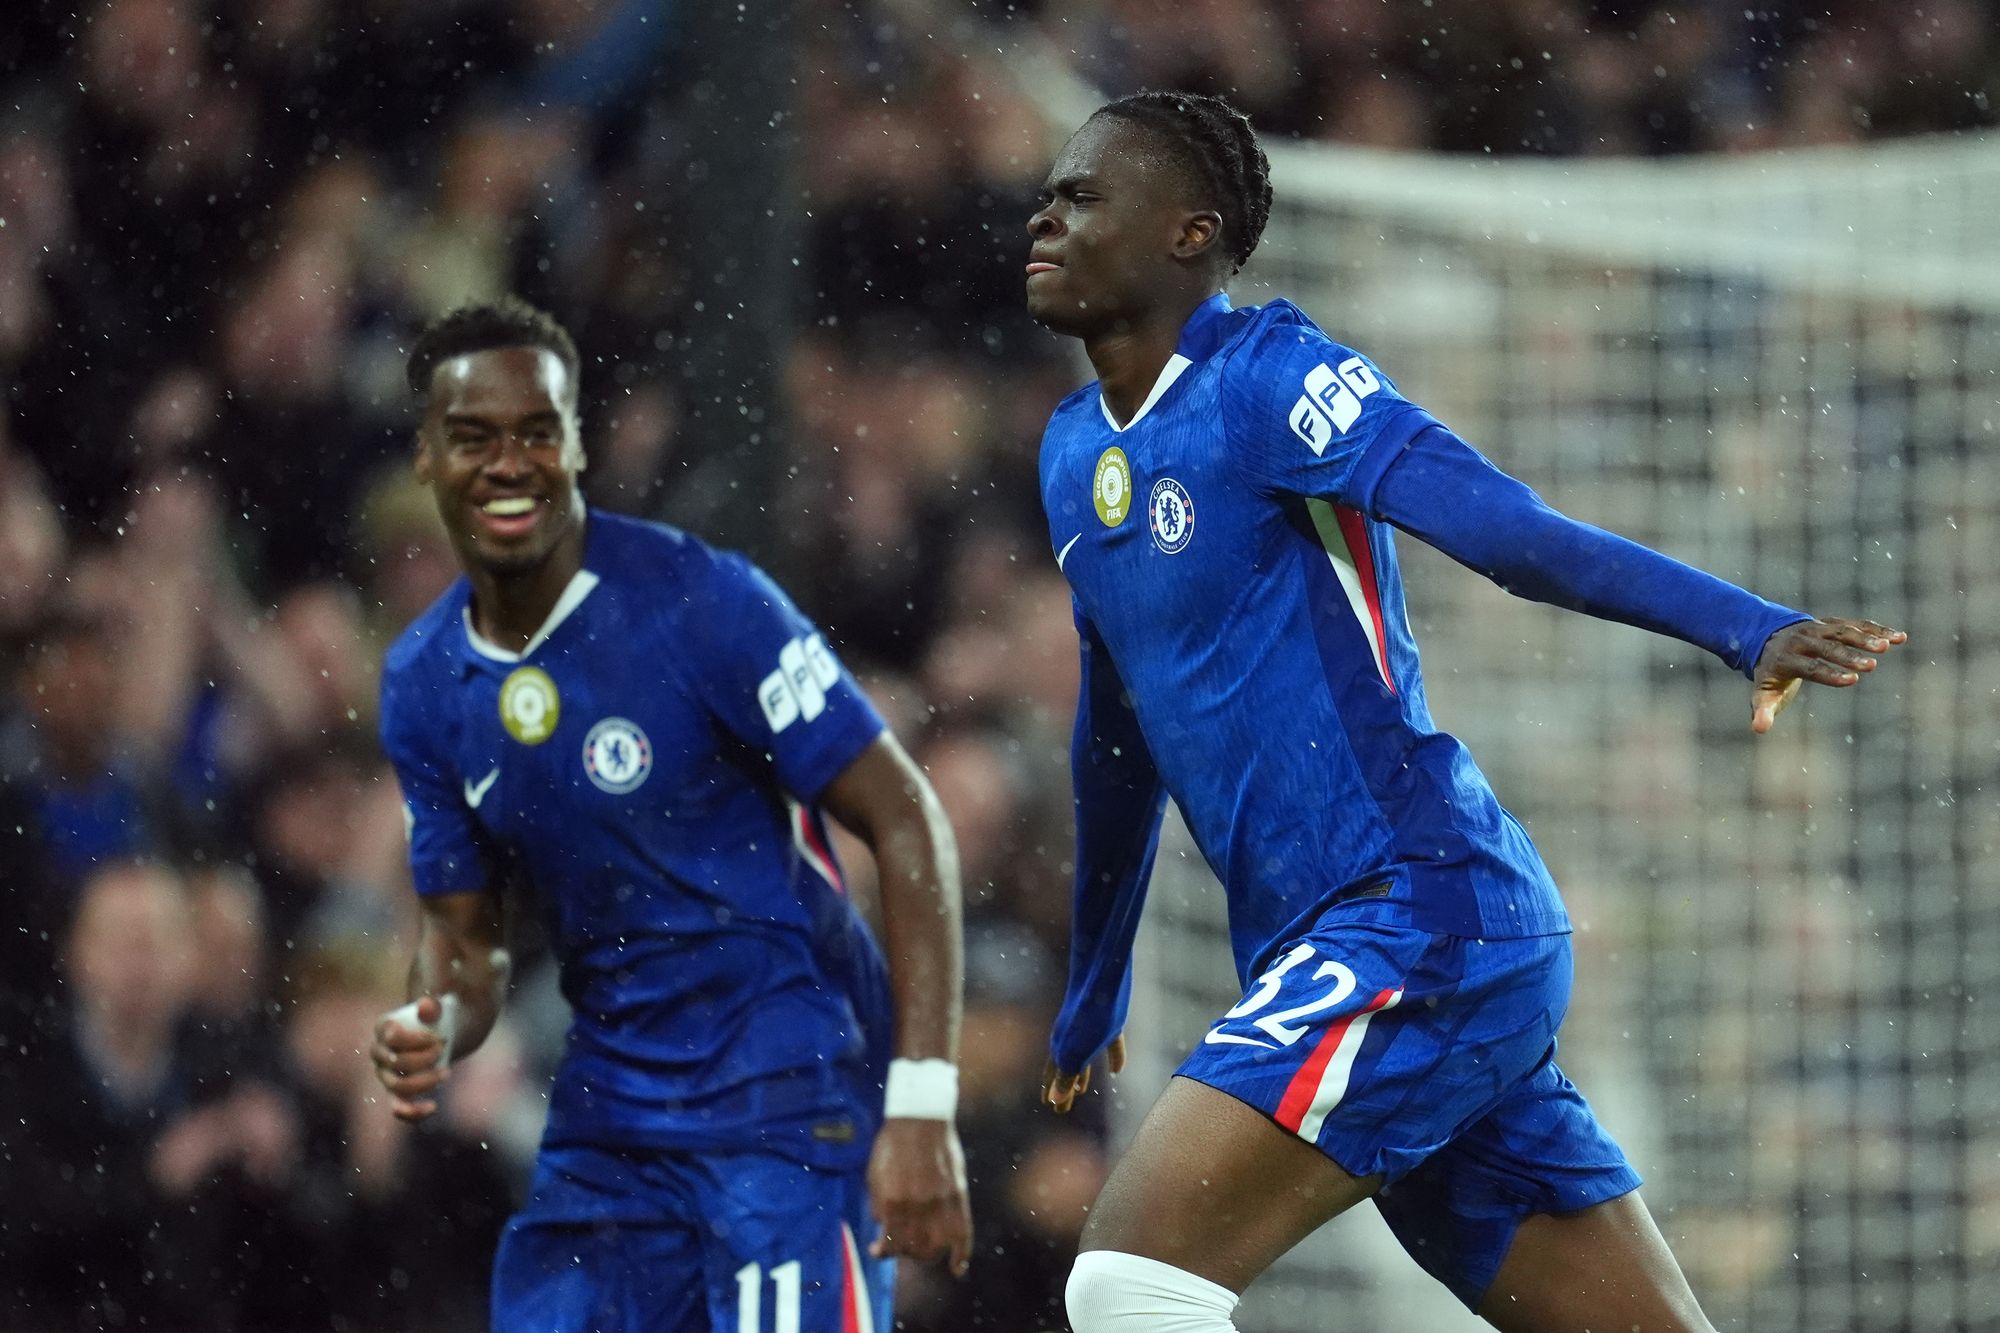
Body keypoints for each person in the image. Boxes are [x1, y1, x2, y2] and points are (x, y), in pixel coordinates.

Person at [1023, 91, 1905, 1333]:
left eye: (1080, 195)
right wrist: (1094, 979)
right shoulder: (1071, 453)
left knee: (1128, 1280)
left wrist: (1741, 624)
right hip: (1345, 948)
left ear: (1188, 231)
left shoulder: (1271, 377)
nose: (1043, 217)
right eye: (1046, 196)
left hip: (1417, 916)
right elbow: (1117, 734)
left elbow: (1506, 532)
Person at [369, 298, 973, 1332]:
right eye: (474, 437)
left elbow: (905, 816)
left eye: (537, 432)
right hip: (611, 1124)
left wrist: (922, 1102)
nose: (509, 464)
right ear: (426, 456)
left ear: (577, 444)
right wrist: (436, 1021)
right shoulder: (423, 682)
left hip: (787, 1100)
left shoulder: (704, 601)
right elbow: (465, 945)